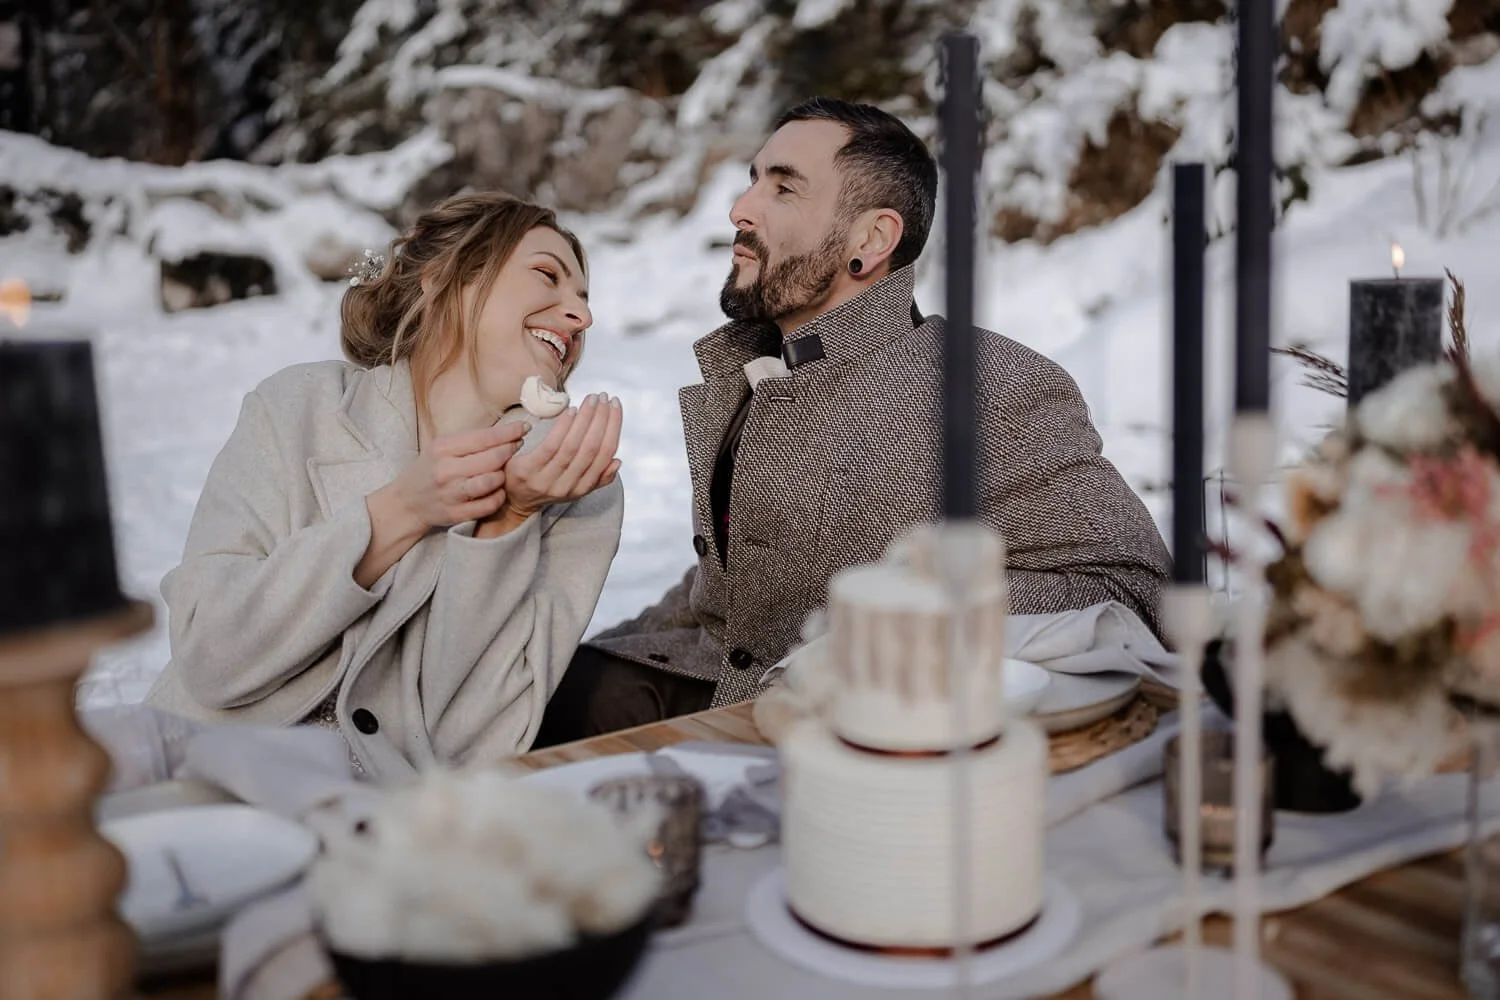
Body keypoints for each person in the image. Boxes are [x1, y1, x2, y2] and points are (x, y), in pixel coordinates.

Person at [534, 98, 1170, 746]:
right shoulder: (756, 368)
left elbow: (1131, 589)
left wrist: (897, 615)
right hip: (716, 684)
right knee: (524, 715)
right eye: (752, 179)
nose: (740, 209)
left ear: (870, 240)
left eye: (782, 187)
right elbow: (726, 598)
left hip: (865, 731)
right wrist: (572, 664)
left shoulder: (987, 387)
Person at [146, 193, 625, 780]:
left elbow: (473, 742)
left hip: (392, 838)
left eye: (583, 298)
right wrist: (399, 511)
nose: (581, 317)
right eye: (547, 276)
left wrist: (509, 521)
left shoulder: (576, 488)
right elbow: (209, 656)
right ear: (443, 280)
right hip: (201, 787)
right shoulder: (298, 408)